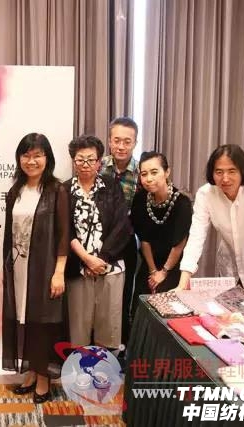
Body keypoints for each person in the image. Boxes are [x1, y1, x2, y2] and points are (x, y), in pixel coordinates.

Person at [2, 133, 69, 404]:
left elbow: (64, 234)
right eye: (26, 155)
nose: (31, 161)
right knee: (25, 321)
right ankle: (30, 372)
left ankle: (43, 379)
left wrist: (59, 271)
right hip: (19, 268)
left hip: (44, 269)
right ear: (19, 159)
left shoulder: (56, 190)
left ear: (47, 158)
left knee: (43, 323)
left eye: (37, 155)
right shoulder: (15, 191)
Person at [178, 144, 244, 289]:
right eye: (219, 172)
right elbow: (196, 236)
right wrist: (182, 284)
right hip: (230, 267)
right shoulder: (205, 194)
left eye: (232, 171)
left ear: (242, 171)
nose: (225, 179)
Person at [64, 135, 131, 352]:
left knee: (109, 328)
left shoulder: (111, 186)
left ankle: (106, 372)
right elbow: (64, 230)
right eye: (80, 159)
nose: (85, 164)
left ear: (99, 162)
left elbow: (121, 225)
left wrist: (101, 259)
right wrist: (86, 259)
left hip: (110, 267)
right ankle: (79, 372)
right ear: (73, 161)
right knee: (78, 329)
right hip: (78, 268)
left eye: (90, 159)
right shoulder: (64, 190)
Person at [130, 151, 192, 317]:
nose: (149, 178)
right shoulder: (140, 199)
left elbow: (179, 244)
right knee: (139, 310)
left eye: (154, 172)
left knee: (167, 313)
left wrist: (163, 272)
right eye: (144, 174)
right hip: (149, 263)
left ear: (167, 172)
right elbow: (144, 239)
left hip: (173, 266)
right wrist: (152, 271)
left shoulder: (182, 202)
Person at [100, 117, 139, 347]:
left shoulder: (141, 172)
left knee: (123, 294)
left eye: (127, 141)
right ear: (109, 141)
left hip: (126, 241)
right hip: (98, 241)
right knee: (98, 294)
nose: (121, 146)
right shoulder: (99, 166)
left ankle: (121, 343)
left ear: (135, 143)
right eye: (116, 140)